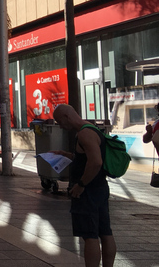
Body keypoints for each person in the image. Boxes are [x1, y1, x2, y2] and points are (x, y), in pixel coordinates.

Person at [51, 104, 116, 267]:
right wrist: (67, 155)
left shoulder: (84, 134)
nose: (60, 125)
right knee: (105, 232)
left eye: (59, 121)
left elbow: (96, 162)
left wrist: (81, 184)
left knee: (90, 235)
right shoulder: (92, 129)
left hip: (88, 191)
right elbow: (88, 158)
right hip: (100, 188)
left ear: (67, 116)